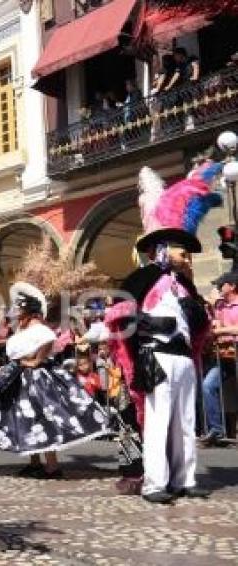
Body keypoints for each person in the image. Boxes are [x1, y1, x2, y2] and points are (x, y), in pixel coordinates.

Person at [107, 163, 221, 504]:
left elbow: (200, 326)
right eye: (179, 247)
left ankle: (184, 478)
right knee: (158, 422)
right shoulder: (142, 280)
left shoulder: (187, 288)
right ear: (161, 248)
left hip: (184, 360)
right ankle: (155, 482)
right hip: (156, 357)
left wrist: (200, 316)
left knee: (186, 421)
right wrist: (149, 325)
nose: (185, 253)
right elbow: (118, 316)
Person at [0, 282, 109, 479]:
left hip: (36, 380)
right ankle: (35, 462)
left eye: (19, 307)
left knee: (43, 419)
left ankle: (52, 466)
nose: (15, 311)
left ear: (27, 310)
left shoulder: (37, 327)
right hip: (21, 377)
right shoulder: (23, 329)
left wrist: (36, 360)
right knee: (26, 421)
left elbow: (48, 338)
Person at [200, 271, 238, 446]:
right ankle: (217, 430)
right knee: (207, 386)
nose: (217, 288)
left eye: (220, 285)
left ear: (232, 286)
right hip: (224, 356)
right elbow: (214, 327)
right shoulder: (219, 306)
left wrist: (220, 331)